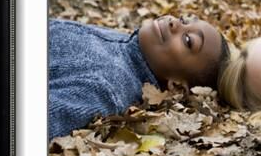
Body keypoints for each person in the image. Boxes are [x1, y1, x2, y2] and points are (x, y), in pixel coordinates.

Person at [49, 15, 230, 141]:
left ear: (176, 87)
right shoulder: (127, 43)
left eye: (188, 40)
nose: (174, 22)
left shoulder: (106, 87)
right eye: (183, 20)